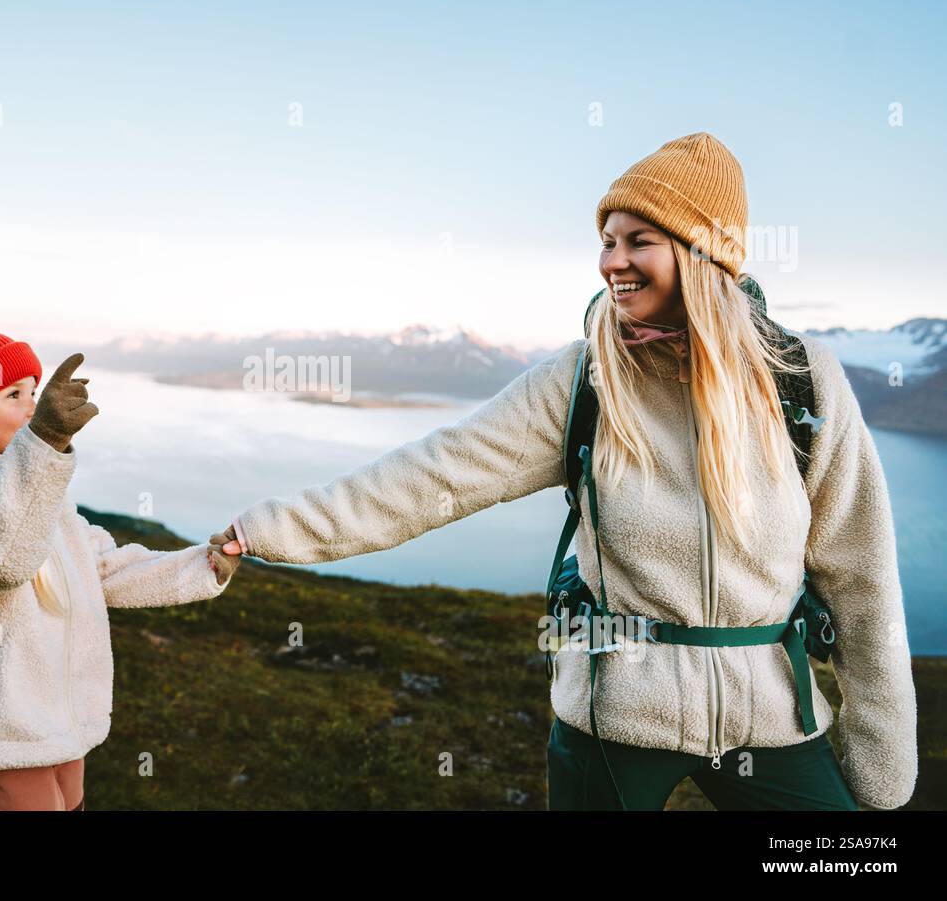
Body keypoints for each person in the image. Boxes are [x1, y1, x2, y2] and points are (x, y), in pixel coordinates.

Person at [213, 132, 917, 811]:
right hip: (613, 718)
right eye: (607, 241)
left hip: (773, 713)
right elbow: (433, 476)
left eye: (640, 239)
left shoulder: (800, 382)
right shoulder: (582, 380)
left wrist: (880, 751)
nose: (613, 261)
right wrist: (272, 527)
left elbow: (860, 570)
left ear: (703, 253)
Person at [0, 333, 239, 810]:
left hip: (59, 719)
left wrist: (203, 564)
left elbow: (102, 567)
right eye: (13, 395)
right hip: (0, 732)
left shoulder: (43, 496)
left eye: (34, 394)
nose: (32, 408)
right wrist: (44, 444)